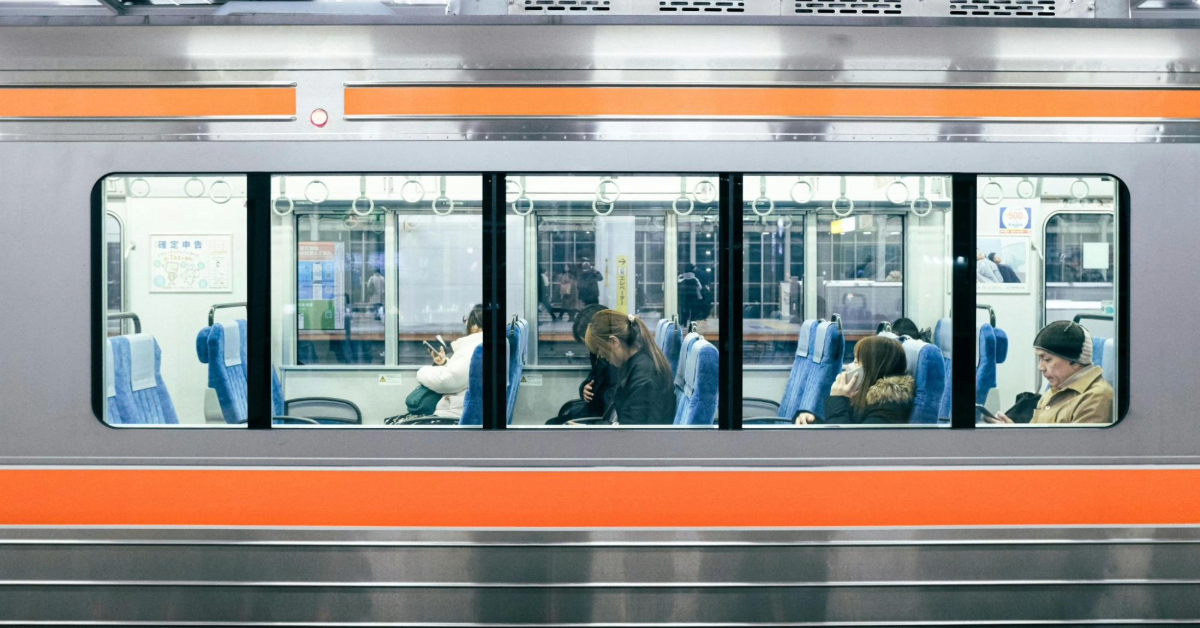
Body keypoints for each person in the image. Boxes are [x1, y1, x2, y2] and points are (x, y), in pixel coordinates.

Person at [986, 321, 1113, 425]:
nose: (1040, 367)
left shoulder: (1096, 397)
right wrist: (1013, 430)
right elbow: (1036, 437)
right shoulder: (1054, 390)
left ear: (1074, 361)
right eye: (1039, 359)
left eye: (1047, 359)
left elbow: (1072, 452)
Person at [796, 335, 915, 425]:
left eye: (856, 362)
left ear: (873, 369)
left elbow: (849, 447)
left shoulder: (888, 407)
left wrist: (837, 398)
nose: (848, 367)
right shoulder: (864, 396)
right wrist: (813, 421)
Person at [584, 310, 676, 425]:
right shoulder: (634, 365)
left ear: (613, 342)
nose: (601, 356)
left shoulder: (644, 379)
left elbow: (632, 435)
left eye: (599, 349)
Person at [546, 304, 618, 424]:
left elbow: (613, 398)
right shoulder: (597, 352)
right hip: (594, 409)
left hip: (601, 415)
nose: (590, 348)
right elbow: (593, 376)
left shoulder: (615, 359)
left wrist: (596, 392)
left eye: (590, 343)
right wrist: (585, 388)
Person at [415, 304, 484, 420]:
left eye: (466, 320)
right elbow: (464, 375)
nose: (465, 324)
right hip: (460, 409)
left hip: (455, 414)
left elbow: (448, 380)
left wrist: (421, 371)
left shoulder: (475, 348)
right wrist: (444, 363)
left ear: (475, 326)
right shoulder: (484, 345)